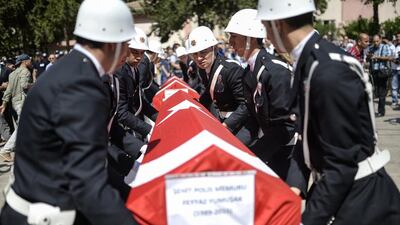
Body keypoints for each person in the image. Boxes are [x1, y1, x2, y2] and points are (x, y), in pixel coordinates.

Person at [257, 0, 400, 225]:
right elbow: (307, 136)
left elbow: (342, 163)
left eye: (266, 27)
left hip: (363, 203)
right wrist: (294, 187)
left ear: (278, 24)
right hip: (342, 192)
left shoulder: (327, 72)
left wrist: (309, 219)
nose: (267, 36)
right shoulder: (310, 62)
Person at [0, 0, 140, 224]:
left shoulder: (72, 71)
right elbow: (88, 184)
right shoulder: (82, 86)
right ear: (113, 44)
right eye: (125, 43)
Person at [225, 8, 297, 182]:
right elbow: (252, 117)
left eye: (234, 36)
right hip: (271, 148)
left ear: (249, 38)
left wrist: (255, 154)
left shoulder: (275, 72)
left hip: (290, 153)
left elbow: (287, 126)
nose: (230, 42)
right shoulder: (248, 72)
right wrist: (234, 147)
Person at [187, 26, 253, 146]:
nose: (199, 58)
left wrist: (226, 125)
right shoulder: (202, 69)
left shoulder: (230, 69)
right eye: (194, 54)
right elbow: (209, 93)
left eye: (203, 52)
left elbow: (246, 105)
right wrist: (193, 108)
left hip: (242, 124)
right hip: (222, 119)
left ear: (214, 48)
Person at [0, 54, 32, 162]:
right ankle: (6, 150)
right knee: (23, 127)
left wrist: (4, 103)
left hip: (15, 103)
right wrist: (35, 85)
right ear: (24, 62)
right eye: (29, 60)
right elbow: (24, 85)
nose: (30, 61)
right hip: (23, 102)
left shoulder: (12, 74)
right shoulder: (26, 71)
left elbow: (8, 90)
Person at [367, 34, 392, 117]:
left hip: (382, 71)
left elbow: (389, 57)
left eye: (377, 41)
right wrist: (369, 57)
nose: (376, 43)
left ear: (380, 40)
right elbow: (368, 58)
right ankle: (372, 110)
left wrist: (377, 57)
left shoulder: (385, 47)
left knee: (382, 93)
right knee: (374, 92)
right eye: (374, 41)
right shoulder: (371, 48)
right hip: (374, 71)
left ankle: (381, 111)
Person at [391, 33, 400, 108]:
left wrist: (392, 60)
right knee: (394, 87)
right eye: (397, 37)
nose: (398, 38)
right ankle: (394, 101)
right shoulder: (394, 46)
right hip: (394, 69)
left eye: (399, 37)